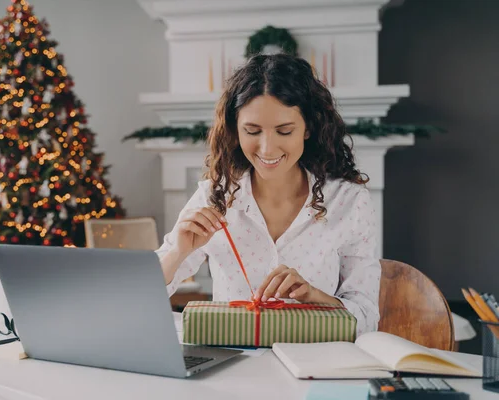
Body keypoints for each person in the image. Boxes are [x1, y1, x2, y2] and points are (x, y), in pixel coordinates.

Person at [156, 53, 380, 336]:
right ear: (235, 130)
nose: (267, 149)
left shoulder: (349, 202)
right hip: (233, 366)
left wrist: (314, 296)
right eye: (252, 130)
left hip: (316, 364)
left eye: (284, 131)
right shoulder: (215, 195)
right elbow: (141, 298)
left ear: (308, 128)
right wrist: (178, 251)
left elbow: (368, 318)